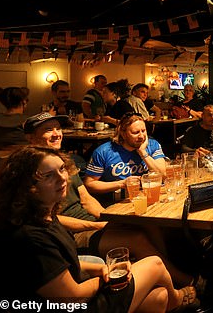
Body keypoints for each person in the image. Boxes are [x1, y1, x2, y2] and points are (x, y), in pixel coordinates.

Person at [0, 146, 197, 311]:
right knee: (154, 264)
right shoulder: (31, 237)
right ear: (25, 186)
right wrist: (107, 279)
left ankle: (171, 299)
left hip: (77, 293)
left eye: (62, 169)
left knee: (159, 298)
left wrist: (103, 268)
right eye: (48, 176)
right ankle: (178, 298)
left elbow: (67, 263)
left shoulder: (44, 215)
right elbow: (70, 298)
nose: (62, 178)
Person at [24, 112, 195, 287]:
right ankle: (183, 281)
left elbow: (86, 198)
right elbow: (47, 220)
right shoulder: (28, 171)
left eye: (58, 128)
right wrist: (96, 224)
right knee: (137, 238)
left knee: (148, 223)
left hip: (92, 222)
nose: (56, 133)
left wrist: (107, 218)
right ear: (30, 138)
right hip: (69, 235)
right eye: (48, 130)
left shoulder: (63, 162)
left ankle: (163, 277)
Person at [84, 113, 165, 204]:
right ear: (123, 134)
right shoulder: (104, 152)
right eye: (135, 132)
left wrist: (143, 152)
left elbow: (163, 175)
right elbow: (89, 184)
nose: (141, 136)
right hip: (115, 204)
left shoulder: (152, 145)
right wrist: (121, 184)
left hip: (147, 199)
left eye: (143, 131)